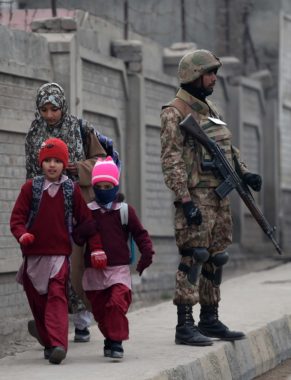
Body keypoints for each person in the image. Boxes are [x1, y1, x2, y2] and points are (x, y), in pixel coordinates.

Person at [160, 49, 262, 346]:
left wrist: (244, 173)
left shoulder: (211, 109)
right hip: (196, 197)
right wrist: (185, 200)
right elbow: (171, 160)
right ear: (193, 75)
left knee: (216, 258)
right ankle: (185, 324)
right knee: (194, 256)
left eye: (214, 72)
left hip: (219, 196)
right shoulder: (174, 112)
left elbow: (227, 149)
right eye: (209, 73)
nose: (213, 78)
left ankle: (209, 318)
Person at [25, 82, 108, 344]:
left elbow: (102, 162)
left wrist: (78, 169)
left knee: (74, 266)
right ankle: (50, 324)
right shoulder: (34, 131)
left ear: (63, 106)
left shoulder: (79, 128)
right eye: (44, 109)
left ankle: (82, 322)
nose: (49, 114)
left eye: (54, 109)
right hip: (44, 208)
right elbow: (30, 173)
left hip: (75, 206)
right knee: (45, 267)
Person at [10, 138, 104, 364]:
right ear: (41, 163)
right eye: (48, 161)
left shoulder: (71, 190)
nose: (52, 165)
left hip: (60, 256)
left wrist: (97, 248)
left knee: (56, 298)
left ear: (64, 164)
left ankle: (57, 344)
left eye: (57, 161)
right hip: (33, 257)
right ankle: (46, 337)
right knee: (38, 303)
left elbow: (87, 221)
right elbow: (17, 219)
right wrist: (22, 234)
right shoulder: (30, 189)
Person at [73, 156, 155, 359]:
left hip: (118, 269)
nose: (103, 189)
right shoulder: (87, 211)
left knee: (116, 304)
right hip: (94, 272)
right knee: (101, 312)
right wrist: (85, 228)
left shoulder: (125, 211)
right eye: (99, 185)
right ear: (93, 187)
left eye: (107, 185)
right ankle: (109, 338)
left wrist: (147, 254)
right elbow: (77, 237)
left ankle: (116, 342)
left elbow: (140, 234)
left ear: (115, 185)